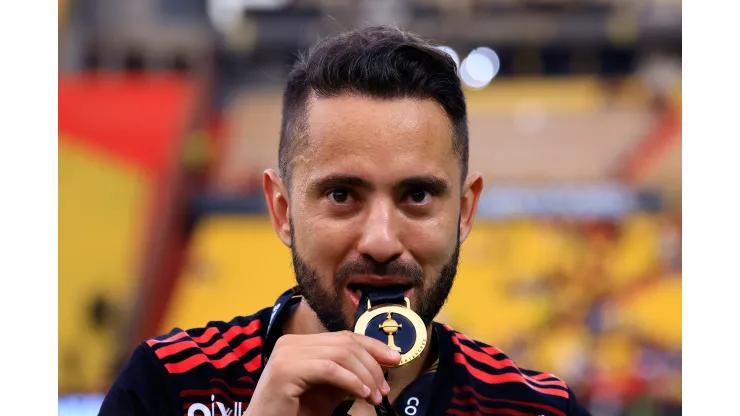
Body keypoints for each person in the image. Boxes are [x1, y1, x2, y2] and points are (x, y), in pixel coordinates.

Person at [99, 26, 591, 416]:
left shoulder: (538, 409)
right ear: (283, 210)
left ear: (464, 211)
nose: (381, 241)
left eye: (417, 195)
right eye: (341, 194)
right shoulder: (169, 385)